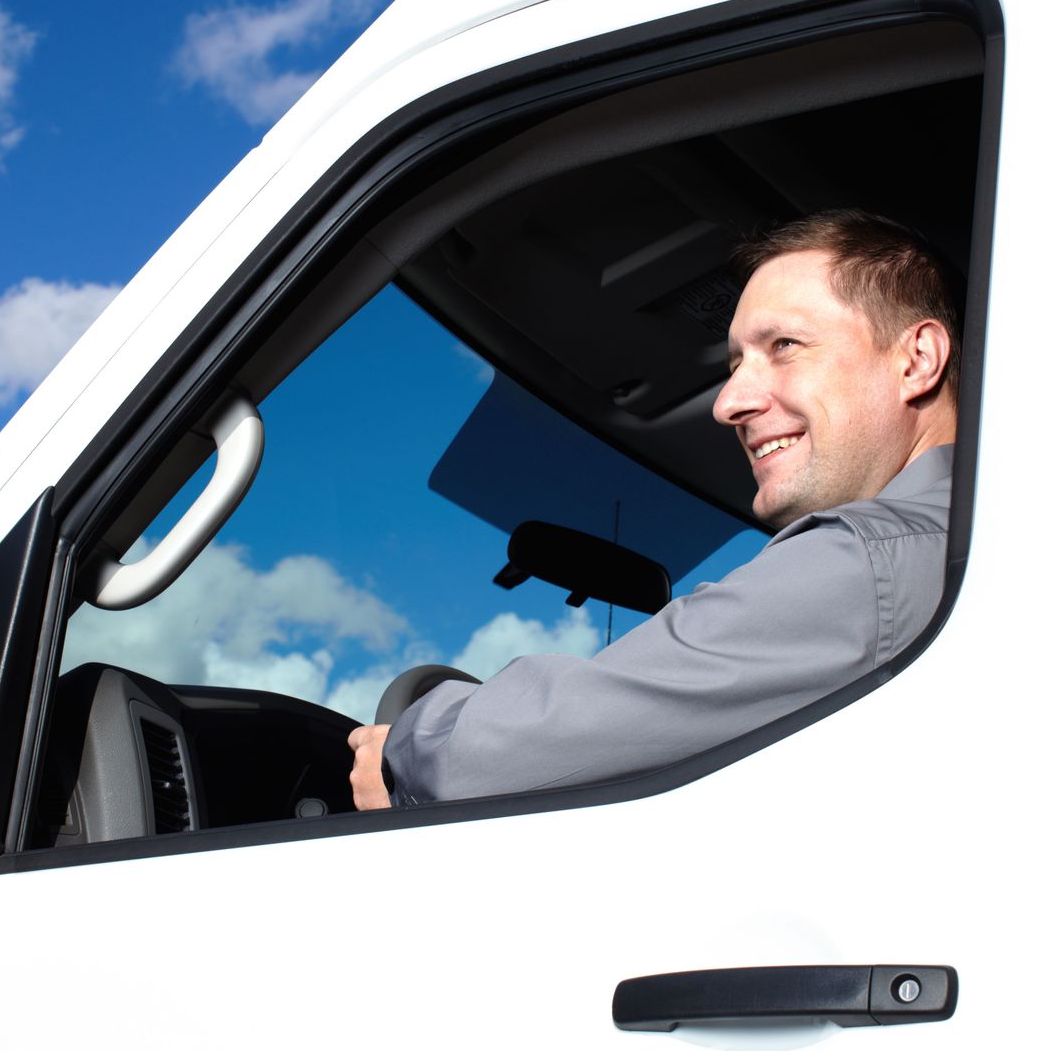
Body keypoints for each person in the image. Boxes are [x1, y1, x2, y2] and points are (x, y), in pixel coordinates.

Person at [348, 208, 960, 808]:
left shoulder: (867, 559)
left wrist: (404, 752)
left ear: (917, 360)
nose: (728, 403)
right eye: (735, 365)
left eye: (784, 345)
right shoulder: (951, 548)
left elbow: (477, 766)